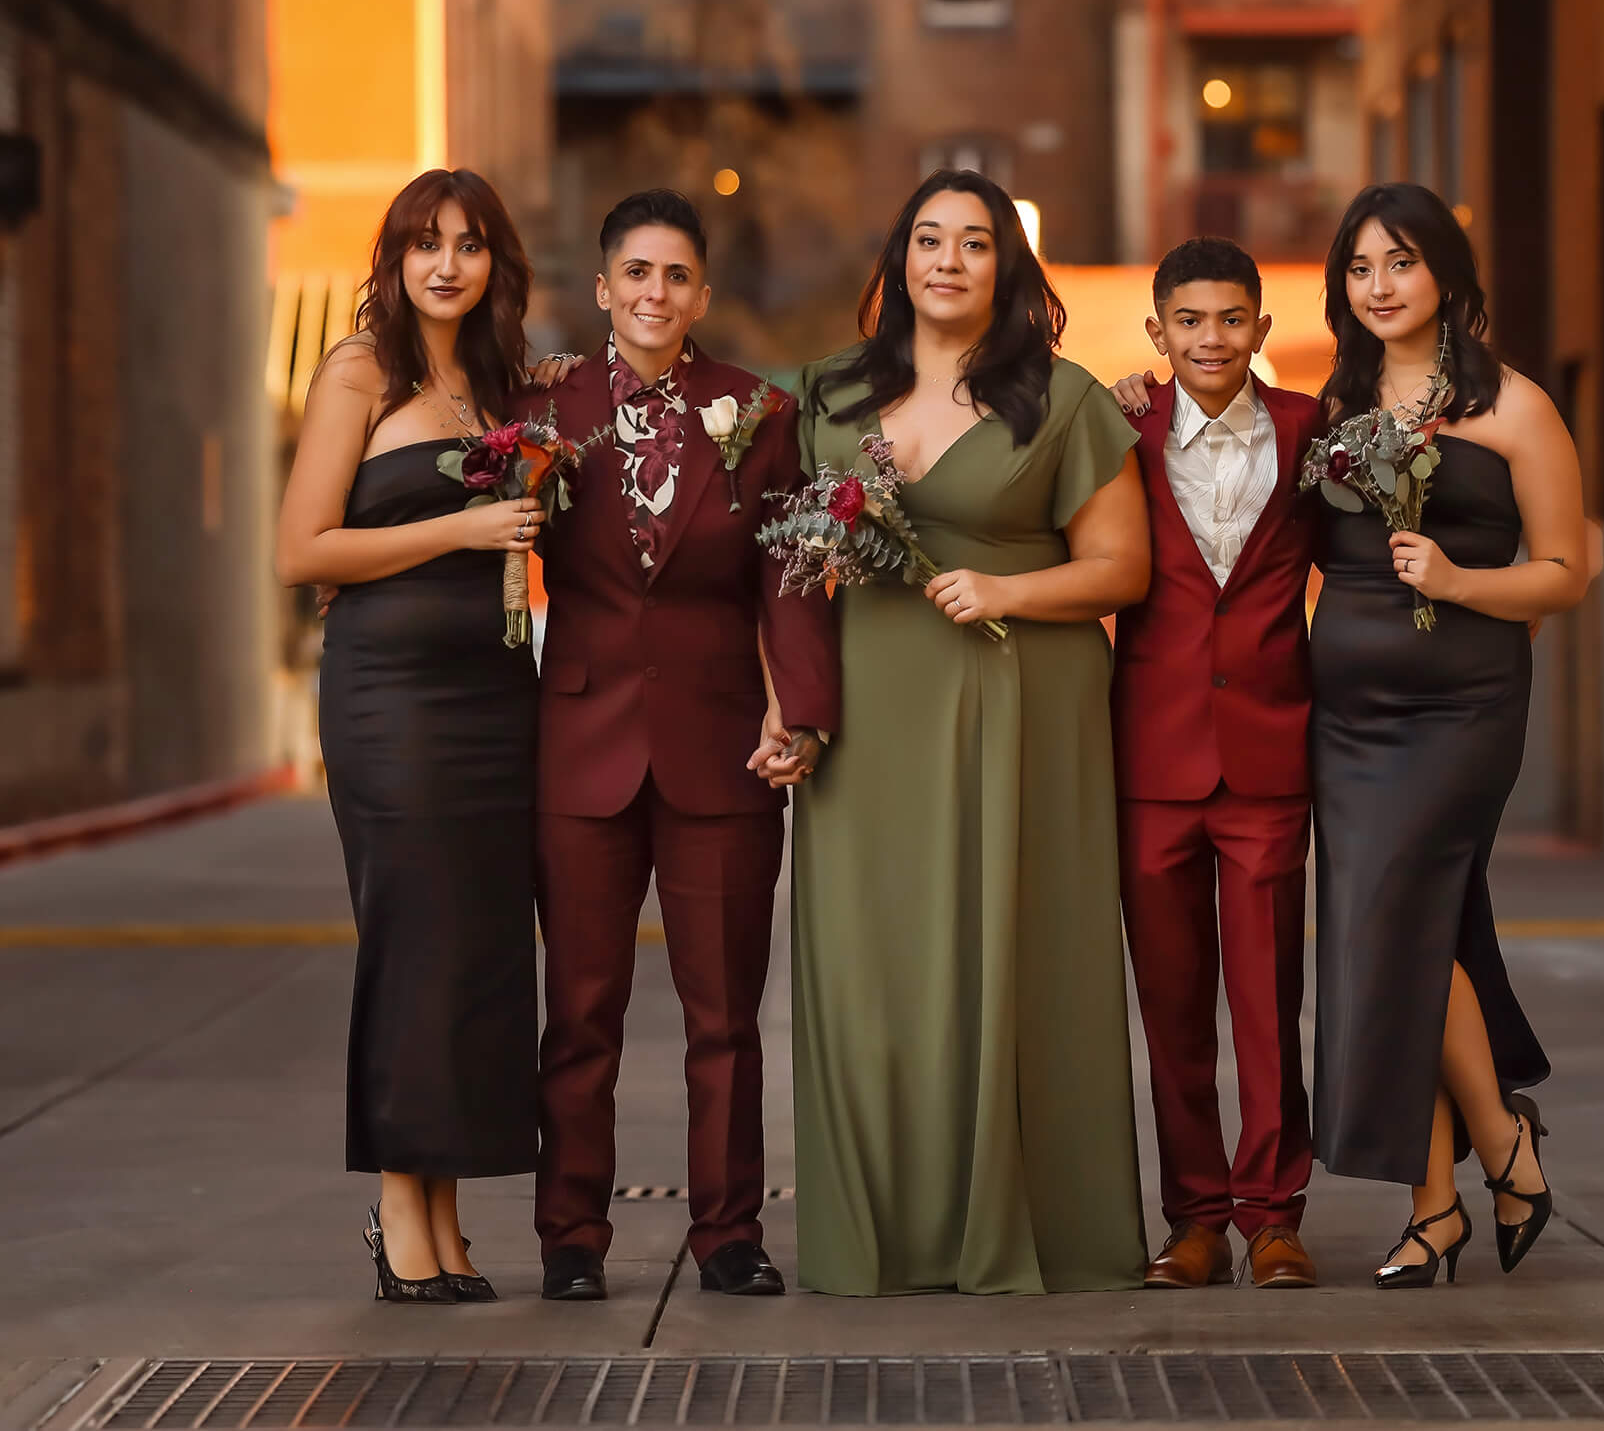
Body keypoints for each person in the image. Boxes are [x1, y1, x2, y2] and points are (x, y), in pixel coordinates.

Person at [790, 168, 1152, 1296]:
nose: (947, 260)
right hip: (868, 714)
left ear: (1008, 267)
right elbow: (770, 556)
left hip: (1018, 705)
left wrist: (1005, 592)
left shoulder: (1064, 396)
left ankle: (1026, 1219)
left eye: (975, 243)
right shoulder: (829, 395)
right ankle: (882, 1231)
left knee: (1016, 953)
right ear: (898, 258)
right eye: (928, 239)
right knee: (871, 966)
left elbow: (1122, 567)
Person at [528, 189, 839, 1304]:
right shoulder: (544, 405)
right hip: (578, 746)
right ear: (603, 286)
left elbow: (790, 575)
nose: (655, 293)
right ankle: (570, 1235)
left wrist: (795, 706)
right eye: (637, 273)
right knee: (579, 1012)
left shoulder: (758, 411)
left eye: (676, 276)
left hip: (719, 753)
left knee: (724, 1018)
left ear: (701, 294)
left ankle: (728, 1234)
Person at [1308, 182, 1588, 1288]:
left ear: (1447, 276)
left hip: (1463, 708)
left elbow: (1565, 572)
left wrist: (1463, 578)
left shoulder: (1514, 406)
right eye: (1359, 268)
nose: (1378, 286)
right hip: (1348, 721)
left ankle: (1499, 1148)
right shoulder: (1329, 409)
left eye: (1400, 263)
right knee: (1397, 937)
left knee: (1391, 923)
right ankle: (1440, 1202)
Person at [275, 167, 546, 1305]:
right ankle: (397, 1207)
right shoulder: (358, 372)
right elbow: (303, 552)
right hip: (389, 695)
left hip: (494, 690)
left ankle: (445, 1207)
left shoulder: (501, 387)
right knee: (410, 937)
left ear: (495, 263)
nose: (447, 263)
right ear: (393, 259)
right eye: (425, 242)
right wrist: (463, 526)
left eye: (469, 243)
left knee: (481, 947)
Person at [1104, 238, 1320, 1290]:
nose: (1209, 338)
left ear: (1260, 331)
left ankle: (1274, 1213)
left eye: (1231, 319)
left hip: (1270, 759)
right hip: (1151, 759)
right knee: (1172, 1005)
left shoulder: (1309, 431)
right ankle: (1192, 1217)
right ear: (1156, 333)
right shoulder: (1118, 429)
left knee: (1266, 1005)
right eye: (1188, 320)